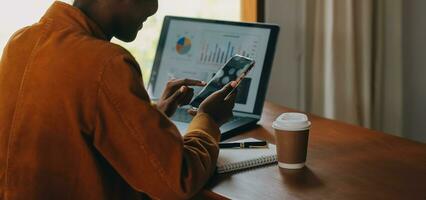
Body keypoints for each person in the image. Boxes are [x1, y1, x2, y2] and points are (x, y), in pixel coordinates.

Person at [0, 0, 237, 199]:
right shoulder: (107, 63)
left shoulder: (20, 41)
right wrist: (208, 120)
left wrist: (153, 115)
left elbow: (74, 133)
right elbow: (176, 181)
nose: (154, 8)